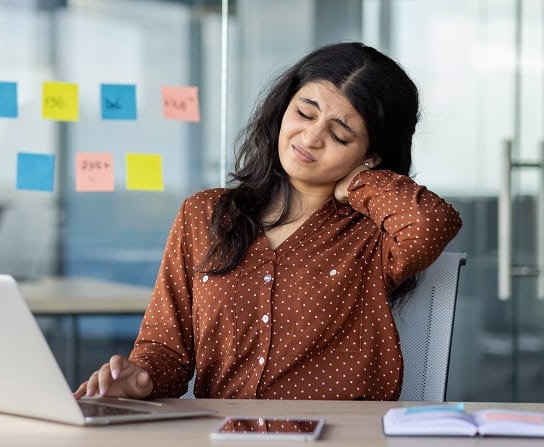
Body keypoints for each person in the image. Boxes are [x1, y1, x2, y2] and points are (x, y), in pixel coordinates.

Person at [74, 42, 462, 401]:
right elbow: (165, 352)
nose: (310, 138)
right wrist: (139, 378)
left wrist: (360, 183)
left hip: (341, 436)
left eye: (339, 135)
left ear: (371, 155)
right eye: (304, 113)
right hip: (225, 436)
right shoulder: (205, 215)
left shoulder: (374, 235)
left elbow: (431, 224)